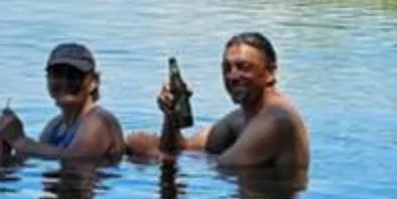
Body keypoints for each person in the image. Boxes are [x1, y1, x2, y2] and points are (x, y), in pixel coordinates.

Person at [125, 30, 310, 175]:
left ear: (270, 73)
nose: (233, 76)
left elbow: (223, 169)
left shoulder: (275, 122)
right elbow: (184, 148)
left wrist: (147, 152)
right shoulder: (241, 118)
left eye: (243, 67)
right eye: (227, 68)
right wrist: (170, 117)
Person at [0, 44, 125, 164]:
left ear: (93, 82)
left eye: (74, 75)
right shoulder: (55, 125)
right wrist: (8, 150)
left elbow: (78, 158)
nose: (64, 81)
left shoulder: (98, 121)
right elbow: (41, 155)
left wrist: (19, 140)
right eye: (57, 74)